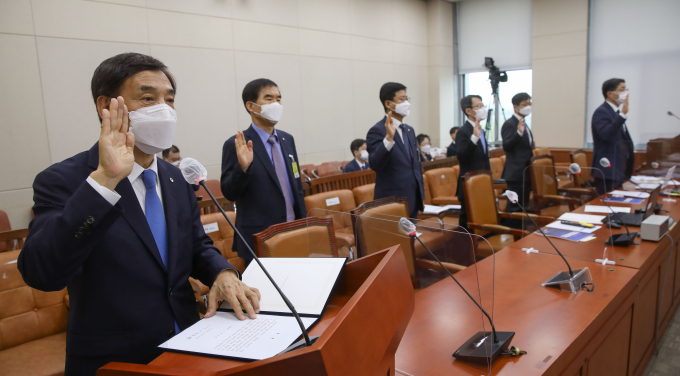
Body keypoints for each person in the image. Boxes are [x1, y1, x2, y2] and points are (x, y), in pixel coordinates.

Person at [18, 53, 260, 376]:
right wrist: (104, 181)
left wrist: (222, 273)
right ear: (106, 106)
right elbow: (41, 272)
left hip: (191, 346)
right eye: (148, 98)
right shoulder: (65, 180)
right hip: (116, 361)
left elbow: (197, 246)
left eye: (169, 100)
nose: (164, 109)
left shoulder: (175, 179)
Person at [221, 79, 306, 264]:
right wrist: (242, 168)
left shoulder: (287, 139)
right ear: (251, 106)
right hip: (259, 237)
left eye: (278, 99)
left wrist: (304, 224)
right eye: (269, 99)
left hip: (294, 230)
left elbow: (296, 185)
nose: (276, 104)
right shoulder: (237, 143)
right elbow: (228, 192)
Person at [366, 82, 424, 219]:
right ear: (388, 104)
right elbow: (374, 163)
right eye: (402, 99)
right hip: (392, 201)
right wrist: (388, 139)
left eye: (407, 99)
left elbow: (413, 164)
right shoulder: (377, 130)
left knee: (411, 238)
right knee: (395, 240)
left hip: (413, 197)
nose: (407, 103)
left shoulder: (409, 130)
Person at [591, 78, 634, 195]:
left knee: (617, 205)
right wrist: (622, 115)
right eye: (622, 90)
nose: (626, 93)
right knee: (606, 206)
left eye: (626, 89)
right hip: (607, 170)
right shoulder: (602, 112)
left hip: (618, 169)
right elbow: (606, 134)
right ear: (609, 93)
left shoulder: (614, 113)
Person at [456, 95, 491, 230]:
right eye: (478, 106)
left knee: (481, 218)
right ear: (468, 111)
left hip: (482, 181)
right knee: (467, 221)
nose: (482, 109)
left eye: (483, 105)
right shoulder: (463, 131)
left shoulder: (479, 129)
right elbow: (462, 156)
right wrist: (474, 138)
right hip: (469, 183)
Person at [501, 92, 535, 213]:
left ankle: (521, 230)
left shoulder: (523, 123)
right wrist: (519, 133)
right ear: (516, 107)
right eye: (524, 104)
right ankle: (512, 230)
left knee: (523, 205)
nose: (528, 106)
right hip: (516, 173)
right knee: (515, 206)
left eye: (529, 103)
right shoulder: (510, 124)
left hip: (526, 171)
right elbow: (507, 146)